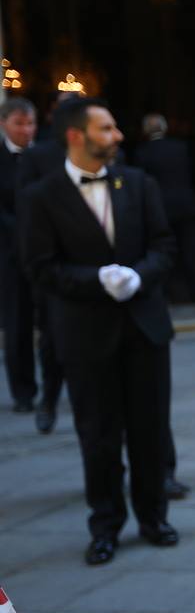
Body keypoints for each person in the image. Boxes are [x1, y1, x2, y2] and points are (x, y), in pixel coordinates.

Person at [20, 97, 178, 565]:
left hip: (144, 328)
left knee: (150, 431)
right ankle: (105, 524)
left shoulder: (140, 183)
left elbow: (164, 246)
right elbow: (40, 268)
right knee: (98, 435)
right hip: (85, 334)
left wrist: (139, 276)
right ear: (76, 135)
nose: (118, 136)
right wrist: (95, 280)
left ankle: (154, 516)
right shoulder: (42, 197)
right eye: (107, 129)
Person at [14, 106, 69, 434]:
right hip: (53, 265)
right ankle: (48, 399)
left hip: (95, 264)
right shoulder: (39, 157)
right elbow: (26, 209)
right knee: (52, 341)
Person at [134, 113, 195, 301]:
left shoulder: (142, 152)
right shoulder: (181, 147)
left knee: (163, 251)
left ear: (145, 131)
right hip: (187, 204)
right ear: (164, 128)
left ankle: (169, 293)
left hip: (160, 208)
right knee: (191, 249)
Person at [1, 98, 41, 413]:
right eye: (19, 123)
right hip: (12, 255)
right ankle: (23, 391)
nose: (26, 130)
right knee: (17, 325)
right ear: (4, 124)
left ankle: (55, 388)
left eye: (30, 123)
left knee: (57, 323)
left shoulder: (46, 156)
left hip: (47, 251)